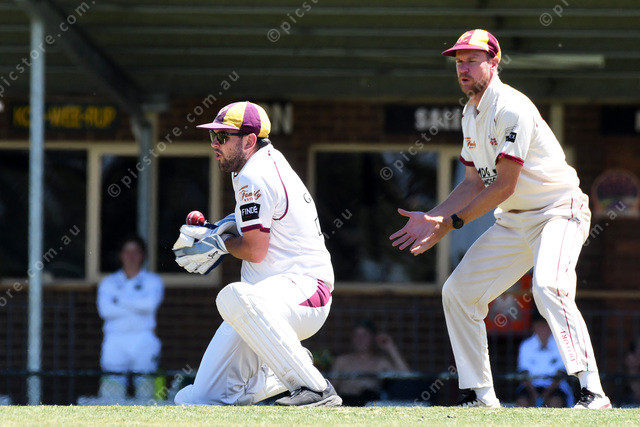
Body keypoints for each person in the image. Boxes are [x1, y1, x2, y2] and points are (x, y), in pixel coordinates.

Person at [390, 29, 611, 409]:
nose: (464, 68)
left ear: (494, 62)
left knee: (548, 286)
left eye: (473, 60)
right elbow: (472, 183)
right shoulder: (469, 113)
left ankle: (593, 391)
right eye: (459, 62)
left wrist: (449, 224)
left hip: (558, 212)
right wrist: (433, 218)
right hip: (514, 222)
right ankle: (480, 395)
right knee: (458, 293)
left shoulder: (512, 107)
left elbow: (504, 185)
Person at [172, 101, 341, 406]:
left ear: (249, 140)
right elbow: (259, 223)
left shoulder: (254, 174)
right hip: (263, 307)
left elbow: (254, 250)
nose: (214, 144)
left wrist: (218, 243)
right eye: (212, 136)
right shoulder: (252, 167)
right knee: (197, 400)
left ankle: (315, 388)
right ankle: (278, 372)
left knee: (233, 296)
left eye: (222, 137)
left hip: (304, 291)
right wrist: (219, 230)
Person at [97, 235, 164, 399]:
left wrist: (118, 300)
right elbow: (105, 310)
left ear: (142, 255)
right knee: (112, 387)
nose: (131, 256)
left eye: (135, 252)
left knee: (146, 388)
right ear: (121, 255)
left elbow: (149, 305)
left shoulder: (153, 281)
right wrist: (136, 305)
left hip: (144, 338)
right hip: (115, 339)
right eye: (127, 252)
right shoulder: (109, 282)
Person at [330, 319, 409, 406]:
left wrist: (391, 348)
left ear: (373, 338)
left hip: (371, 404)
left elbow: (406, 376)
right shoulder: (341, 361)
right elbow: (330, 389)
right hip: (346, 403)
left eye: (364, 335)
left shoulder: (380, 362)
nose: (360, 339)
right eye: (356, 335)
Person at [515, 310, 574, 408]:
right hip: (531, 387)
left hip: (555, 387)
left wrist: (544, 396)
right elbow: (524, 373)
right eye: (539, 326)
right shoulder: (526, 345)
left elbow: (560, 374)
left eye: (545, 326)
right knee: (522, 401)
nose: (543, 329)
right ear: (534, 327)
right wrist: (535, 395)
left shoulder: (560, 345)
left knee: (555, 401)